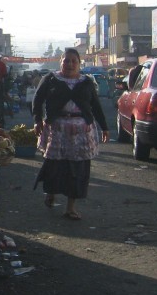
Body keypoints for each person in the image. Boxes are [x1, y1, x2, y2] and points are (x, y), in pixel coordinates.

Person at [32, 48, 110, 221]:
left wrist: (104, 127)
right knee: (54, 165)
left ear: (79, 64)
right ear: (60, 62)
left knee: (78, 169)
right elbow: (38, 100)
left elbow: (95, 106)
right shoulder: (51, 79)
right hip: (57, 129)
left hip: (81, 132)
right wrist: (37, 120)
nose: (70, 64)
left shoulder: (86, 82)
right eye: (66, 60)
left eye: (74, 61)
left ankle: (71, 207)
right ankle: (51, 192)